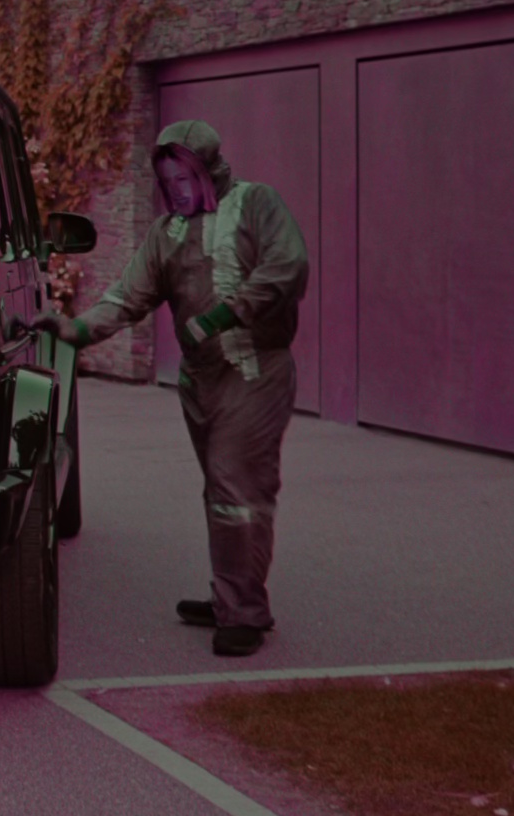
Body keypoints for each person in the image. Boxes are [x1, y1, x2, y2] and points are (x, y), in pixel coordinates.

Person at [27, 120, 309, 656]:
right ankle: (231, 597)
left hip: (254, 374)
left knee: (236, 488)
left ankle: (245, 614)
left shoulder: (256, 204)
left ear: (208, 170)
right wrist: (74, 329)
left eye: (185, 178)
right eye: (168, 180)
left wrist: (226, 314)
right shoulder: (166, 233)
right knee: (222, 490)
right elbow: (129, 295)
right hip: (200, 381)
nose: (176, 190)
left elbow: (288, 266)